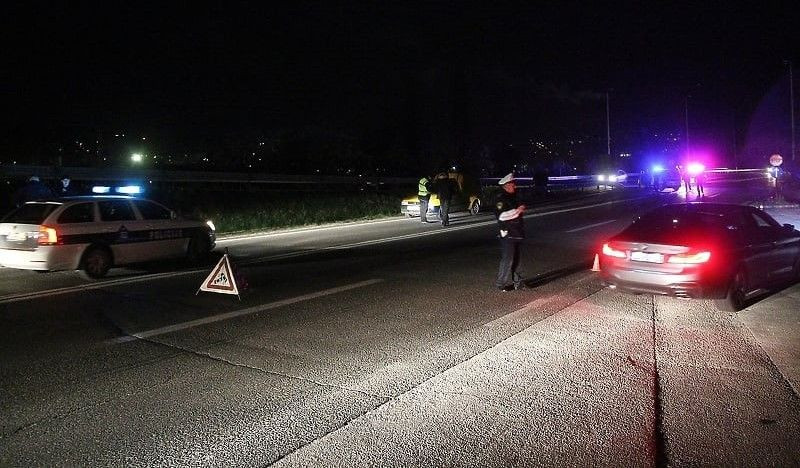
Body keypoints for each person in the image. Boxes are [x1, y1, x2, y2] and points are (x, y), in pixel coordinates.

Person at [494, 173, 526, 291]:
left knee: (518, 259)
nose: (515, 186)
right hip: (507, 233)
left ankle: (519, 283)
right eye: (513, 184)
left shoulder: (514, 196)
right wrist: (518, 210)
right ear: (506, 185)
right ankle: (500, 284)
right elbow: (502, 216)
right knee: (508, 259)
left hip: (517, 232)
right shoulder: (500, 199)